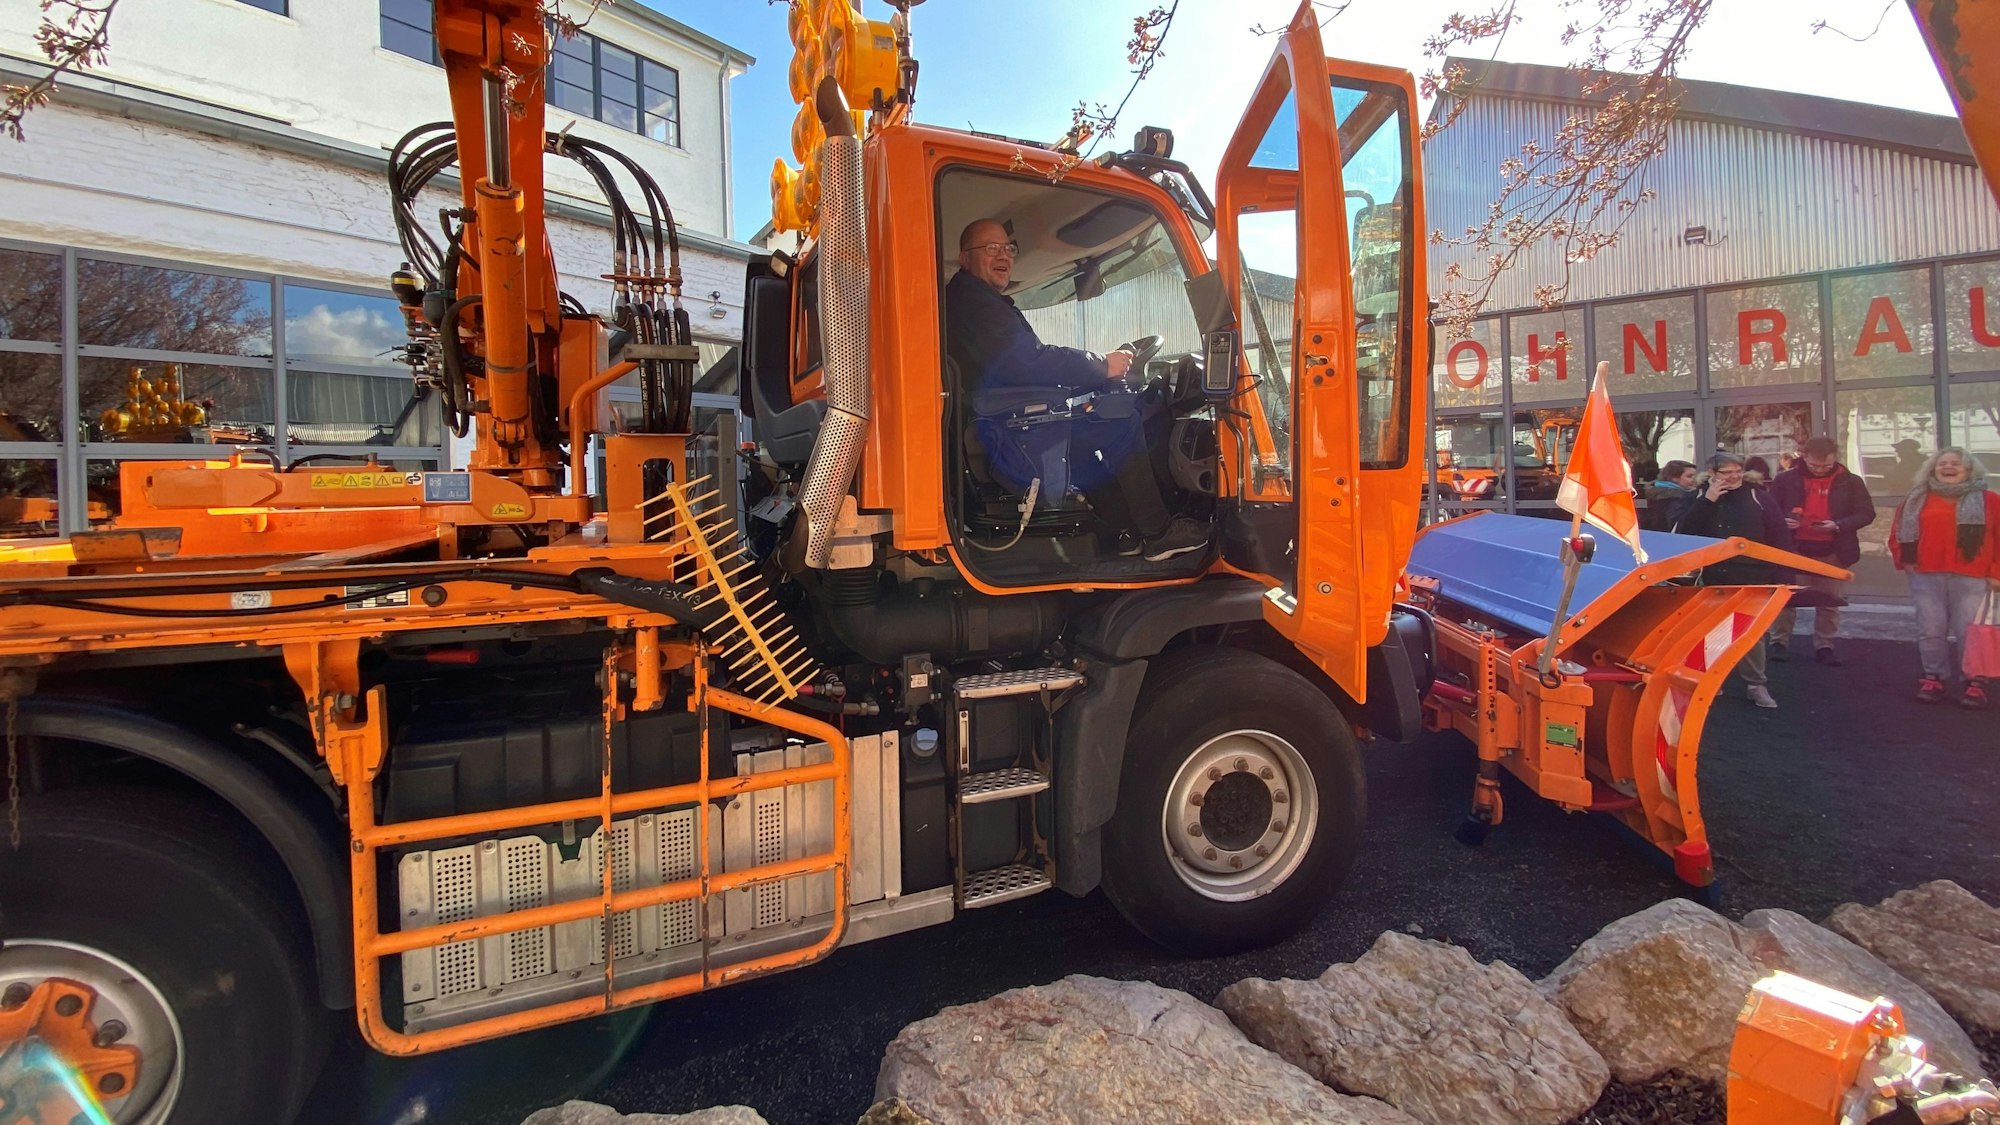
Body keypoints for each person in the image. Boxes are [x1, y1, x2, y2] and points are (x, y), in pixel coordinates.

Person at [944, 218, 1208, 561]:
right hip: (1010, 427)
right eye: (990, 248)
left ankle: (1125, 533)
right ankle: (1158, 533)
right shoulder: (975, 303)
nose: (1003, 256)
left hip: (1006, 419)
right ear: (965, 258)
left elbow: (1023, 363)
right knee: (1123, 422)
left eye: (1007, 249)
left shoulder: (973, 300)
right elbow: (1027, 361)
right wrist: (1101, 365)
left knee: (1090, 442)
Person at [1675, 451, 1795, 709]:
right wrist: (1707, 501)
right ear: (1712, 475)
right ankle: (1710, 682)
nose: (1734, 476)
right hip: (1713, 574)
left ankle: (1756, 684)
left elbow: (1779, 536)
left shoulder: (1758, 496)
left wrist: (1784, 575)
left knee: (1751, 632)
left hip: (1753, 573)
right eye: (1727, 472)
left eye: (1737, 471)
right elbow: (1685, 532)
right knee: (1709, 630)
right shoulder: (1697, 497)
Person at [1890, 447, 2000, 709]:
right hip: (1926, 574)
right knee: (1930, 630)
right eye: (1943, 463)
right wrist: (1905, 561)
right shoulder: (1915, 499)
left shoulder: (1989, 500)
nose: (1948, 467)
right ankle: (1934, 677)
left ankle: (1974, 681)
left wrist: (1996, 572)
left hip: (1973, 576)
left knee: (1970, 633)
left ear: (1968, 469)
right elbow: (1897, 531)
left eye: (1955, 463)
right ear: (1933, 468)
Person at [1768, 436, 1875, 665]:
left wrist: (1838, 524)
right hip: (1793, 549)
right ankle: (1779, 642)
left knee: (1829, 601)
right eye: (1814, 465)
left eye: (1825, 466)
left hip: (1832, 549)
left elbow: (1866, 513)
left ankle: (1825, 645)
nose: (1819, 470)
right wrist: (1784, 520)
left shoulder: (1850, 481)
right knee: (1784, 598)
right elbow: (1770, 510)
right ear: (1803, 457)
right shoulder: (1785, 479)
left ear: (1835, 457)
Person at [1645, 460, 1698, 532]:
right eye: (1689, 476)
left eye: (1695, 476)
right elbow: (1679, 526)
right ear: (1674, 477)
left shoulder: (1658, 492)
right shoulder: (1675, 498)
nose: (1694, 480)